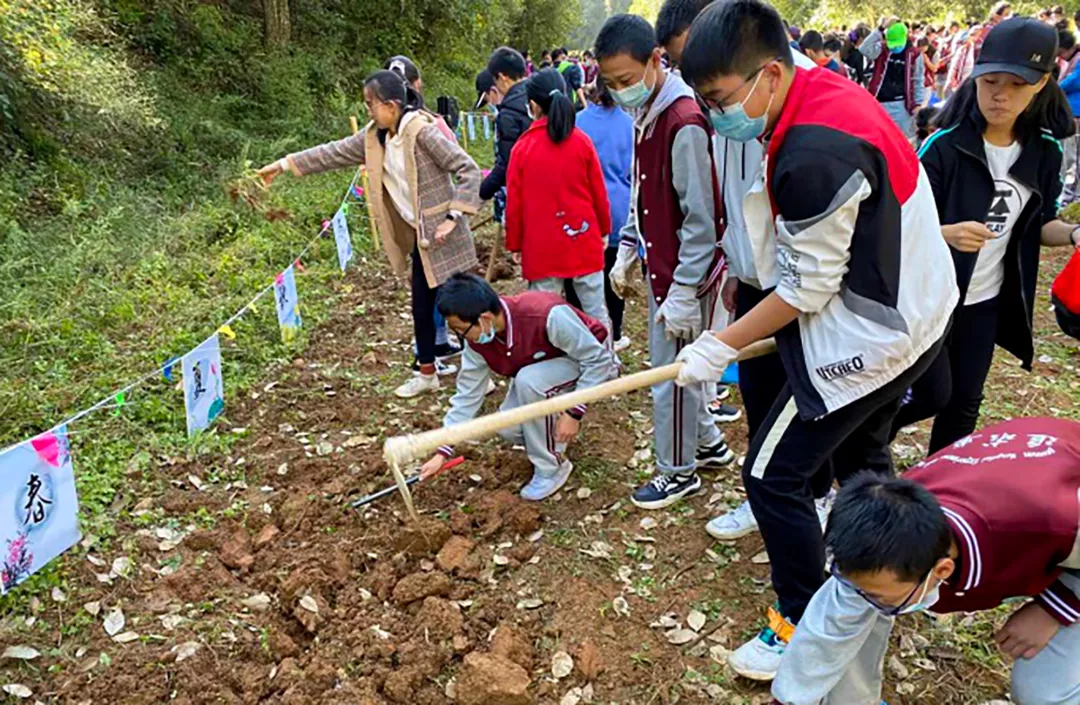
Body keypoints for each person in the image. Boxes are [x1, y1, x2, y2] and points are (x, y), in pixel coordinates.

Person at [679, 0, 957, 680]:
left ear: (769, 73)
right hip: (917, 310)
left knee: (772, 474)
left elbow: (805, 289)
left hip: (873, 331)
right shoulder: (823, 87)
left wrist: (719, 343)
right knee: (862, 454)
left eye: (718, 100)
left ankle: (801, 622)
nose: (716, 116)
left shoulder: (811, 152)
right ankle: (896, 574)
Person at [771, 417, 1080, 705]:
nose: (859, 596)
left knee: (1044, 693)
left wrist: (1055, 607)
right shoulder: (889, 525)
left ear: (943, 570)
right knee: (861, 607)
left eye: (878, 594)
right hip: (1019, 469)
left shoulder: (1052, 522)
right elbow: (832, 625)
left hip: (1062, 488)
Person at [889, 18, 1079, 453]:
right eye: (990, 81)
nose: (1000, 94)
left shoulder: (1044, 153)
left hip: (986, 299)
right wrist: (946, 233)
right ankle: (860, 449)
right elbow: (897, 226)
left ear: (1043, 83)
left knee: (964, 402)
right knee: (922, 395)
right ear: (975, 77)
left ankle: (941, 492)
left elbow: (1040, 224)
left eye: (1016, 84)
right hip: (931, 297)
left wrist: (1072, 234)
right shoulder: (942, 146)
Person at [256, 70, 482, 399]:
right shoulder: (374, 138)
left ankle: (480, 373)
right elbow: (330, 153)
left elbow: (468, 169)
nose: (368, 111)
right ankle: (427, 373)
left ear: (391, 105)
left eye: (370, 104)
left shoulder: (422, 133)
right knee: (421, 306)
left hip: (445, 236)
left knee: (462, 306)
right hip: (421, 239)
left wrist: (454, 215)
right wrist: (284, 164)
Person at [596, 13, 734, 510]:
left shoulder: (683, 121)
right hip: (661, 264)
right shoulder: (647, 112)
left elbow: (702, 219)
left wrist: (682, 291)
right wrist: (629, 246)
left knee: (669, 376)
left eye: (626, 81)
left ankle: (677, 471)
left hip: (687, 274)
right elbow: (644, 192)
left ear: (656, 59)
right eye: (610, 84)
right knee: (686, 368)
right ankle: (710, 444)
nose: (619, 92)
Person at [418, 273, 618, 500]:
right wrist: (443, 451)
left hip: (584, 361)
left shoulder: (545, 315)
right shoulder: (478, 343)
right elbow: (466, 396)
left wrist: (574, 412)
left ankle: (551, 468)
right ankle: (549, 433)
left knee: (529, 381)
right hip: (542, 370)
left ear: (484, 318)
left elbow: (598, 360)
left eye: (460, 329)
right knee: (508, 426)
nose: (460, 336)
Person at [505, 69, 612, 334]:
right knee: (595, 311)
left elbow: (514, 204)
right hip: (583, 236)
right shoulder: (581, 142)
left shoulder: (523, 148)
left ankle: (553, 368)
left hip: (542, 245)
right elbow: (599, 192)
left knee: (544, 313)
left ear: (533, 105)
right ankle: (606, 364)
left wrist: (515, 242)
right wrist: (604, 229)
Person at [387, 55, 463, 371]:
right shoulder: (426, 125)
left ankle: (438, 348)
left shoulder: (417, 128)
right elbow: (459, 161)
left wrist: (454, 214)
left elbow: (461, 166)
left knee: (438, 294)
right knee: (437, 294)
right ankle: (429, 355)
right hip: (427, 227)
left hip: (429, 227)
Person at [569, 81, 633, 351]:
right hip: (619, 206)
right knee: (613, 276)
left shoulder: (577, 121)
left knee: (579, 276)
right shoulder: (630, 123)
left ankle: (580, 330)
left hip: (584, 210)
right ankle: (615, 333)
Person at [479, 48, 532, 204]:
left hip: (525, 191)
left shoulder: (509, 113)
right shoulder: (539, 94)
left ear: (502, 77)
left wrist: (483, 191)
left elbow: (508, 162)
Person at [861, 20, 926, 138]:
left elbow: (918, 79)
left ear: (906, 37)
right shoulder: (883, 49)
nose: (895, 47)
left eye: (897, 43)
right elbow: (864, 49)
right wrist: (880, 28)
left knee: (903, 139)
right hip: (879, 102)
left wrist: (918, 103)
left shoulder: (914, 54)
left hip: (901, 105)